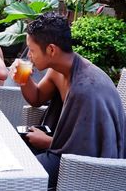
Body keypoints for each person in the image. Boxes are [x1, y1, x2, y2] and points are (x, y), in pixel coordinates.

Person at [10, 12, 125, 189]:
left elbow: (87, 151)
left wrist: (48, 142)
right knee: (13, 148)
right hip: (66, 146)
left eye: (32, 50)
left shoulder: (85, 88)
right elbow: (37, 98)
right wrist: (23, 80)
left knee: (20, 174)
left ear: (51, 50)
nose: (29, 56)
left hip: (91, 168)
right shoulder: (60, 68)